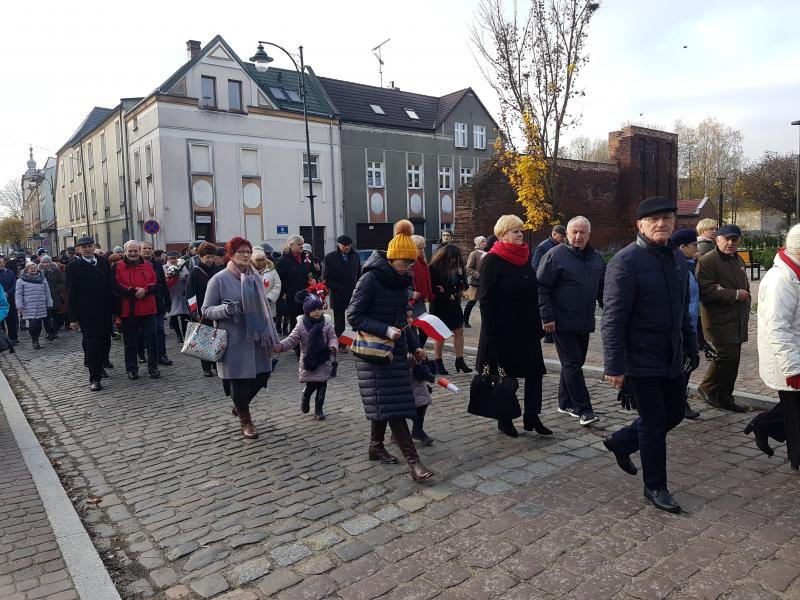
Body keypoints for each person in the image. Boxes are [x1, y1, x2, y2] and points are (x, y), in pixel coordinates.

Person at [602, 197, 698, 514]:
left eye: (667, 218)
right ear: (640, 225)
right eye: (654, 219)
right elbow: (613, 319)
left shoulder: (676, 258)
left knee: (675, 414)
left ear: (674, 223)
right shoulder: (625, 262)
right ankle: (655, 486)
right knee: (655, 422)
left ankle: (622, 441)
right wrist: (615, 366)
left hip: (671, 354)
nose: (661, 224)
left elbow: (682, 309)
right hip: (640, 357)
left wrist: (691, 344)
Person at [347, 219, 434, 481]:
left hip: (396, 351)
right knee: (394, 407)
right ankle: (415, 464)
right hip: (375, 353)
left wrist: (416, 348)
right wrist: (385, 330)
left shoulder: (402, 280)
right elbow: (353, 316)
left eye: (411, 263)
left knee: (386, 402)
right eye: (405, 263)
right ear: (392, 258)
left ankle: (375, 446)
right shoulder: (371, 278)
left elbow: (403, 320)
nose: (408, 267)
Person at [476, 214, 551, 438]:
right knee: (505, 375)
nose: (520, 234)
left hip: (527, 328)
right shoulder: (492, 260)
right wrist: (490, 333)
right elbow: (485, 300)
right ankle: (504, 418)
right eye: (515, 231)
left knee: (535, 373)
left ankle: (532, 416)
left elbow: (532, 292)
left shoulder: (524, 256)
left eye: (520, 230)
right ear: (502, 235)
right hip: (502, 329)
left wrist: (538, 323)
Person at [202, 237, 279, 439]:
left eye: (248, 251)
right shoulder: (219, 279)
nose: (245, 255)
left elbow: (264, 307)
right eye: (240, 251)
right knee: (239, 382)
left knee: (263, 374)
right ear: (231, 254)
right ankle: (246, 421)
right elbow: (206, 310)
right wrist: (226, 310)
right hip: (234, 340)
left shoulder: (255, 277)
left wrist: (272, 334)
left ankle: (239, 407)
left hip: (258, 337)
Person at [537, 216, 605, 426]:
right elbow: (541, 287)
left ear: (589, 234)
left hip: (584, 322)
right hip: (561, 321)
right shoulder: (555, 255)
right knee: (572, 364)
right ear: (567, 234)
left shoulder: (596, 259)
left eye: (582, 232)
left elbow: (603, 289)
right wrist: (547, 316)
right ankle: (584, 409)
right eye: (574, 232)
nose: (578, 236)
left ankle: (564, 402)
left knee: (575, 363)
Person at [745, 224, 800, 470]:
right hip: (788, 358)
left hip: (795, 351)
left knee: (794, 408)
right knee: (796, 414)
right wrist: (793, 368)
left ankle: (763, 425)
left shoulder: (795, 273)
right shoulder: (781, 280)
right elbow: (778, 328)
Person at [695, 224, 750, 412]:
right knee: (727, 356)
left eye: (734, 239)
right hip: (718, 319)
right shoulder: (708, 261)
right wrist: (734, 294)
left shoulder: (737, 259)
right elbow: (706, 290)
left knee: (734, 359)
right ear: (717, 239)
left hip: (737, 318)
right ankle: (707, 388)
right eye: (726, 239)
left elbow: (743, 285)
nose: (730, 243)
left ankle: (726, 396)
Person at [274, 294, 338, 420]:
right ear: (307, 311)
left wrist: (333, 346)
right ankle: (305, 396)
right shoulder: (301, 326)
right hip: (310, 361)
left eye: (319, 309)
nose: (317, 312)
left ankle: (319, 410)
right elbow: (292, 339)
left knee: (322, 386)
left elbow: (332, 337)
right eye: (314, 310)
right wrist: (281, 346)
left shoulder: (326, 324)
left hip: (323, 359)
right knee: (311, 385)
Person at [66, 236, 114, 391]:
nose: (87, 249)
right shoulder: (73, 266)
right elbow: (71, 293)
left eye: (89, 246)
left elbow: (111, 286)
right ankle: (95, 378)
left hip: (105, 311)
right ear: (79, 249)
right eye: (84, 247)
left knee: (105, 342)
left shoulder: (103, 262)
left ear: (94, 247)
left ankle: (101, 365)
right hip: (86, 313)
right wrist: (73, 318)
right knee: (92, 344)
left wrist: (115, 310)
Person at [111, 241, 160, 380]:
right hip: (128, 309)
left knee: (152, 339)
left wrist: (146, 290)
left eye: (135, 251)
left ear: (139, 251)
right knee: (130, 341)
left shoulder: (149, 265)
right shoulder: (117, 267)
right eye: (130, 251)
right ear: (125, 252)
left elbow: (157, 283)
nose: (133, 254)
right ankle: (131, 368)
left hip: (148, 308)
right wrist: (132, 291)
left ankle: (153, 367)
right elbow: (115, 285)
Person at [670, 229, 702, 419]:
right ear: (682, 247)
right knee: (683, 366)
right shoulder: (676, 267)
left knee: (688, 364)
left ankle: (678, 401)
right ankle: (678, 402)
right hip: (681, 325)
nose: (697, 248)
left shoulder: (690, 265)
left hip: (691, 323)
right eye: (694, 245)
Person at [429, 244, 471, 375]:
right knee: (440, 334)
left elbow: (463, 282)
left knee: (459, 330)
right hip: (440, 305)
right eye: (451, 258)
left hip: (454, 303)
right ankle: (438, 362)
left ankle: (460, 360)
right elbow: (433, 287)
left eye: (455, 258)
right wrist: (447, 294)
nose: (453, 261)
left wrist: (461, 285)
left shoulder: (458, 267)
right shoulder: (435, 267)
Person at [185, 242, 221, 377]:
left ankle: (216, 364)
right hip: (202, 311)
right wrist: (193, 311)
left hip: (217, 309)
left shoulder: (218, 270)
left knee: (216, 338)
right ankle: (206, 367)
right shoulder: (195, 272)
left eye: (212, 257)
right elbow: (190, 293)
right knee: (204, 339)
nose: (211, 260)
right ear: (200, 257)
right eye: (208, 257)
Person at [323, 235, 361, 351]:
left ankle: (352, 342)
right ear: (338, 245)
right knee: (339, 322)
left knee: (355, 318)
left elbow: (359, 274)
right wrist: (338, 287)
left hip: (353, 293)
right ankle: (341, 344)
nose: (347, 247)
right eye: (344, 245)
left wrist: (358, 288)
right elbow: (326, 278)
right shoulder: (330, 257)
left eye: (349, 245)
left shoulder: (355, 256)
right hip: (338, 294)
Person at [532, 224, 566, 343]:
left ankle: (552, 334)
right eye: (562, 236)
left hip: (556, 283)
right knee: (547, 308)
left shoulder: (561, 246)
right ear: (554, 234)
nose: (564, 239)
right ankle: (548, 335)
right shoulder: (543, 246)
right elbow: (535, 265)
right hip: (546, 282)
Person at [139, 241, 172, 366]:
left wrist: (167, 301)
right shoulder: (136, 264)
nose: (147, 250)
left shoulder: (157, 265)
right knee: (142, 332)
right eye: (145, 248)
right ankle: (141, 353)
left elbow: (163, 284)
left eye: (149, 248)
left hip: (157, 302)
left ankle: (161, 355)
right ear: (140, 250)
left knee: (160, 329)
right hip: (142, 303)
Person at [405, 305, 434, 445]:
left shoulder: (413, 331)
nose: (410, 320)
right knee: (408, 405)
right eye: (407, 317)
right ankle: (405, 431)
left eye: (412, 316)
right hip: (406, 375)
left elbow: (417, 348)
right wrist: (417, 356)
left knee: (422, 402)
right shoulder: (400, 333)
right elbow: (403, 355)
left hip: (416, 376)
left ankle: (417, 429)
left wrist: (422, 354)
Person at [276, 235, 311, 335]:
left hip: (306, 296)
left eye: (302, 244)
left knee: (306, 322)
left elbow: (311, 272)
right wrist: (282, 293)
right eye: (299, 244)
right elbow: (277, 279)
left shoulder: (306, 258)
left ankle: (306, 341)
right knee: (295, 324)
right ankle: (296, 343)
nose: (301, 246)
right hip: (291, 298)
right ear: (291, 245)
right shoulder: (283, 260)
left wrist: (314, 277)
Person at [15, 262, 52, 350]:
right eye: (31, 268)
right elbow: (18, 294)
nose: (33, 269)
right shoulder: (21, 280)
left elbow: (47, 292)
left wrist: (49, 303)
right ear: (27, 270)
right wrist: (19, 306)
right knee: (32, 323)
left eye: (34, 268)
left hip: (40, 304)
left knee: (39, 324)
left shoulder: (42, 279)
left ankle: (37, 337)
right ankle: (34, 340)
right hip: (28, 305)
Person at [409, 235, 434, 349]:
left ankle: (417, 351)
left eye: (423, 247)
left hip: (419, 302)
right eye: (420, 248)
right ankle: (416, 352)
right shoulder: (408, 264)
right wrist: (411, 293)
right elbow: (398, 284)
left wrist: (428, 293)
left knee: (424, 330)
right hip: (410, 302)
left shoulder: (422, 263)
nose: (423, 250)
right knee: (412, 330)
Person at [165, 252, 190, 344]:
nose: (173, 260)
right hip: (171, 294)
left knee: (184, 315)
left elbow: (187, 279)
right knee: (173, 315)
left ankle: (185, 333)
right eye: (171, 258)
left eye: (174, 258)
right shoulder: (165, 268)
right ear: (168, 259)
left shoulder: (182, 267)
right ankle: (178, 334)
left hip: (182, 293)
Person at [251, 247, 282, 320]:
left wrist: (269, 297)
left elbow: (277, 285)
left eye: (262, 260)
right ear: (252, 260)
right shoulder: (248, 271)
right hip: (253, 305)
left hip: (269, 305)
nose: (260, 262)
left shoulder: (271, 270)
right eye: (257, 260)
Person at [39, 255, 66, 340]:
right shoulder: (39, 272)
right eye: (44, 262)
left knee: (55, 314)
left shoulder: (56, 271)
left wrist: (56, 290)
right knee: (46, 315)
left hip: (55, 295)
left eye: (47, 262)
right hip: (43, 296)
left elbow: (63, 282)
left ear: (50, 262)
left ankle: (55, 331)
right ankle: (48, 331)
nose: (45, 264)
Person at [463, 236, 487, 328]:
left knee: (484, 303)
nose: (485, 243)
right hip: (476, 283)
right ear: (478, 243)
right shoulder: (474, 253)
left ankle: (485, 322)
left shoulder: (487, 253)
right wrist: (477, 274)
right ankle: (465, 321)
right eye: (483, 242)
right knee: (472, 302)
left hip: (485, 283)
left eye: (485, 241)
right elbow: (468, 268)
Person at [0, 256, 19, 345]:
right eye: (0, 263)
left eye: (3, 263)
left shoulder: (10, 272)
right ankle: (3, 340)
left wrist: (7, 293)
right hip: (0, 301)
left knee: (11, 320)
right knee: (1, 321)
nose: (2, 264)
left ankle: (13, 338)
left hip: (10, 299)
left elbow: (14, 285)